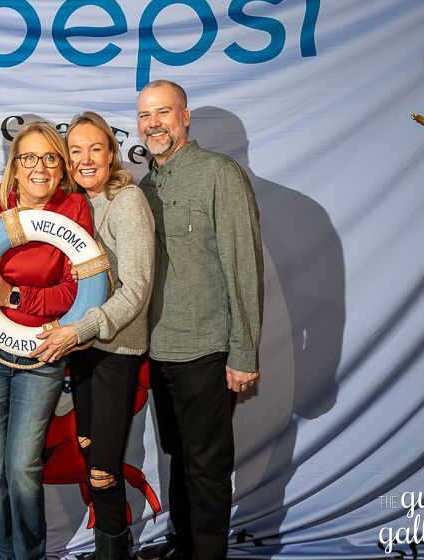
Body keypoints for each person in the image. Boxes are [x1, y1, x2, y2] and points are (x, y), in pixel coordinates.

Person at [135, 80, 263, 560]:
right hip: (159, 348)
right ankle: (184, 544)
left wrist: (244, 352)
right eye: (146, 116)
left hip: (208, 349)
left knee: (207, 466)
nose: (154, 124)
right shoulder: (146, 184)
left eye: (163, 113)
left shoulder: (219, 174)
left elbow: (243, 265)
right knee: (177, 457)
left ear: (184, 117)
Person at [0, 121, 93, 560]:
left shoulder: (74, 207)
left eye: (51, 158)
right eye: (29, 158)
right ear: (14, 167)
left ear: (61, 168)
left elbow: (76, 293)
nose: (40, 167)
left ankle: (29, 555)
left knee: (22, 468)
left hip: (41, 353)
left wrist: (14, 294)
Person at [32, 112, 155, 559]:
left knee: (103, 470)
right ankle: (110, 548)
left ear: (111, 154)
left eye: (95, 149)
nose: (85, 159)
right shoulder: (73, 205)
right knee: (89, 455)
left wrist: (77, 330)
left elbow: (137, 290)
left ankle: (112, 554)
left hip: (115, 350)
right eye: (76, 150)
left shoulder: (127, 202)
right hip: (80, 350)